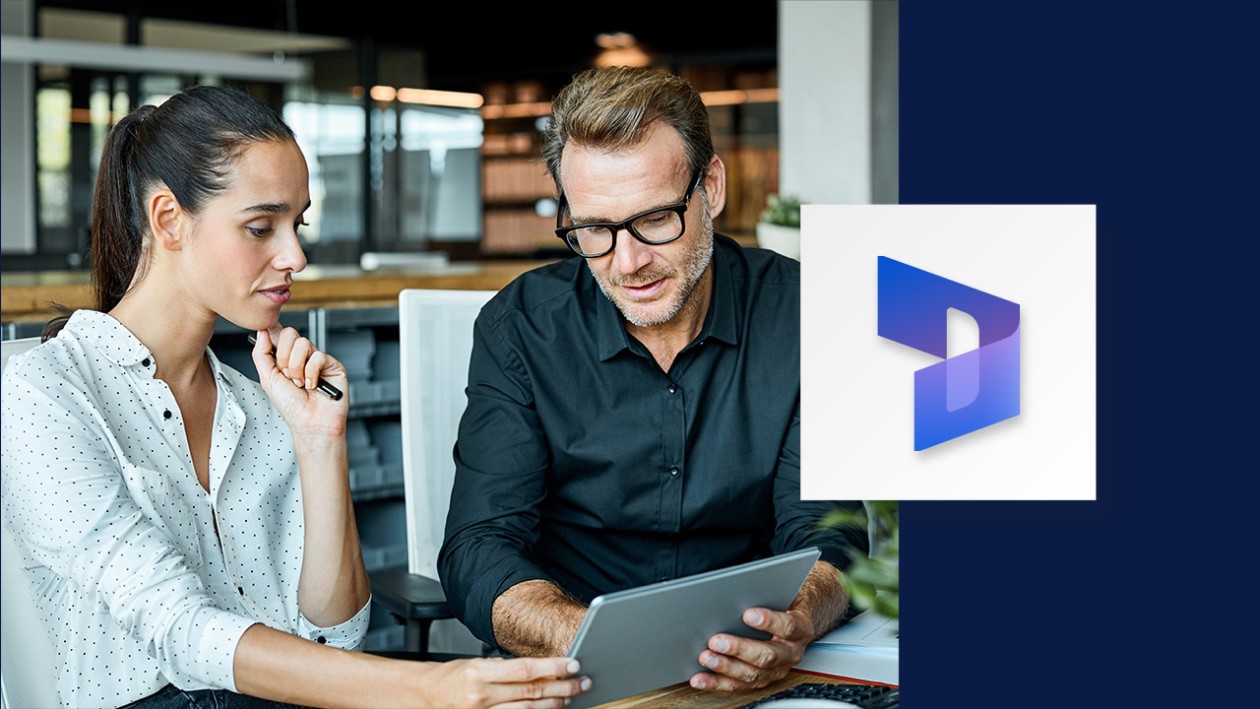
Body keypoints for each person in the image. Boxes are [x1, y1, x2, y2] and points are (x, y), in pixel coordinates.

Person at [0, 85, 586, 709]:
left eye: (296, 224)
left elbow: (337, 635)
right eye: (261, 226)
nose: (295, 255)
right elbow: (178, 629)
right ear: (168, 219)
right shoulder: (43, 395)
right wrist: (429, 687)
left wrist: (319, 443)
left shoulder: (258, 406)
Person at [438, 66, 869, 693]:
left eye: (657, 219)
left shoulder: (806, 314)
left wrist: (796, 619)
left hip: (753, 666)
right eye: (595, 230)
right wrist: (589, 637)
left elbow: (826, 529)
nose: (629, 262)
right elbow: (480, 547)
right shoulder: (521, 328)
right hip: (572, 668)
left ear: (711, 188)